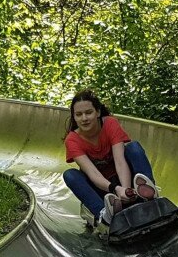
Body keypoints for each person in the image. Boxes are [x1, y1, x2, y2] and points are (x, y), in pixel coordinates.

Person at [62, 89, 159, 225]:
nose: (84, 118)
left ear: (98, 112)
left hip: (126, 180)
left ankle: (148, 193)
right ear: (74, 117)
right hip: (104, 190)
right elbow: (93, 174)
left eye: (88, 112)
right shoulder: (72, 140)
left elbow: (120, 161)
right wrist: (116, 190)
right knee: (70, 175)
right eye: (79, 115)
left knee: (133, 147)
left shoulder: (110, 124)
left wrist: (126, 190)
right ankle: (104, 213)